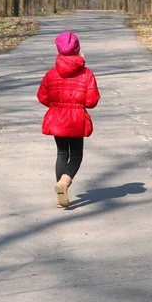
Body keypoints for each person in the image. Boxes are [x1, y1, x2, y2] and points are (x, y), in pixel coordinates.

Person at [37, 31, 100, 208]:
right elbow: (91, 101)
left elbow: (42, 96)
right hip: (76, 120)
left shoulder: (51, 74)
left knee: (62, 154)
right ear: (78, 50)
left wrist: (57, 105)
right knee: (76, 155)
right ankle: (64, 183)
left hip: (57, 119)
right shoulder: (87, 74)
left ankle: (61, 196)